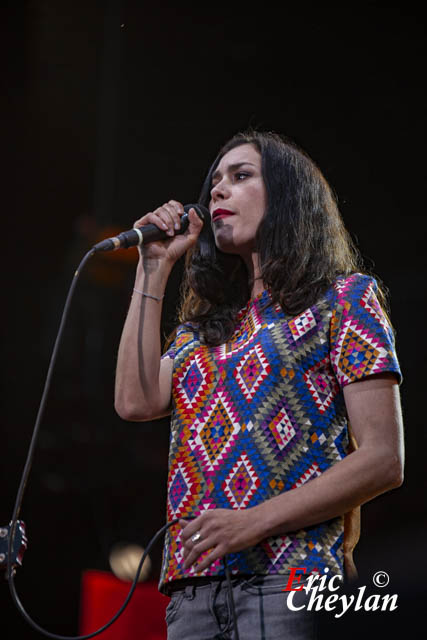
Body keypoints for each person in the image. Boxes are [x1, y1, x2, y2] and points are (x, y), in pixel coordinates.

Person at [114, 131, 404, 639]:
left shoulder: (343, 300)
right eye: (215, 182)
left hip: (292, 580)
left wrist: (255, 521)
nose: (217, 192)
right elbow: (135, 402)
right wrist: (154, 268)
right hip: (193, 593)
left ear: (288, 197)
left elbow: (383, 458)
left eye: (241, 176)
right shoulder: (201, 332)